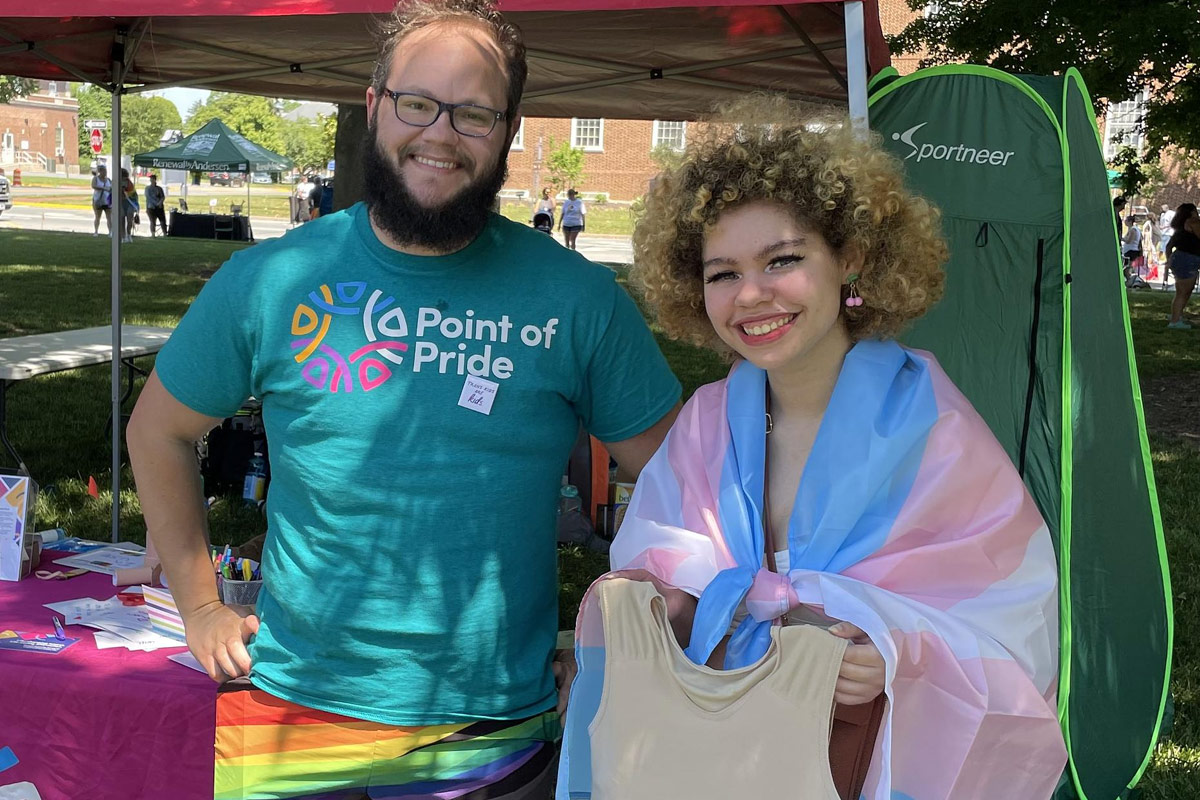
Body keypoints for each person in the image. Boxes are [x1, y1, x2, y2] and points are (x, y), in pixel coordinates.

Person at [126, 2, 681, 798]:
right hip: (292, 717)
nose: (441, 132)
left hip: (489, 730)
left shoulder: (579, 299)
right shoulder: (271, 280)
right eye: (417, 102)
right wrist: (201, 607)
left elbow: (686, 488)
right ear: (374, 102)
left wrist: (621, 640)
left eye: (475, 112)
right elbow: (158, 433)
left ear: (510, 128)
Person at [559, 96, 1067, 800]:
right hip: (704, 752)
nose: (752, 295)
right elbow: (654, 557)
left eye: (784, 259)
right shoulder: (708, 422)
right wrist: (663, 600)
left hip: (853, 759)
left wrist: (892, 653)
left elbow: (1013, 619)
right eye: (722, 272)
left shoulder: (935, 434)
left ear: (849, 257)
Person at [1165, 202, 1200, 329]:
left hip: (1179, 258)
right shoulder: (1193, 222)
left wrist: (1169, 260)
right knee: (1183, 292)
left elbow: (1169, 246)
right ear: (1191, 212)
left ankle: (1177, 315)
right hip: (1189, 259)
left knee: (1182, 291)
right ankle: (1175, 321)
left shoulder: (1179, 229)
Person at [91, 165, 112, 237]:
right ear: (100, 171)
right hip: (98, 200)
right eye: (103, 171)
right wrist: (103, 188)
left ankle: (110, 232)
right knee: (97, 216)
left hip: (107, 201)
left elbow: (111, 188)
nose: (105, 172)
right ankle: (96, 231)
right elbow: (93, 186)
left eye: (105, 171)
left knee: (109, 217)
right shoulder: (96, 179)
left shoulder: (108, 180)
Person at [1122, 213, 1143, 284]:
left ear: (1130, 221)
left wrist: (1121, 238)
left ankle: (1130, 282)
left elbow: (1129, 240)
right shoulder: (1136, 229)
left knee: (1126, 269)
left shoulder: (1133, 230)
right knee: (1127, 268)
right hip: (1132, 250)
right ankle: (1129, 282)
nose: (1125, 222)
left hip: (1131, 251)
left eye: (1126, 220)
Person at [119, 168, 138, 243]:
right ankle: (123, 236)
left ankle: (129, 234)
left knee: (130, 219)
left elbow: (132, 194)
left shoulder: (130, 183)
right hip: (121, 203)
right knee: (122, 219)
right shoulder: (116, 182)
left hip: (130, 202)